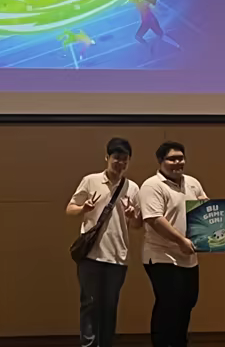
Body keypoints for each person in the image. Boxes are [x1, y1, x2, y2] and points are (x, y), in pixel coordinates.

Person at [66, 138, 141, 347]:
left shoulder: (132, 188)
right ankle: (89, 345)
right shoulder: (90, 181)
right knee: (89, 304)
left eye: (125, 159)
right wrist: (83, 208)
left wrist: (133, 216)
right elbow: (70, 209)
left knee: (110, 306)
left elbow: (137, 225)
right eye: (116, 158)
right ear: (106, 157)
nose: (120, 163)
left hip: (118, 256)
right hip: (91, 255)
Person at [140, 141, 208, 347]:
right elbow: (154, 219)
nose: (177, 162)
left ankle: (179, 342)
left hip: (189, 256)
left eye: (181, 158)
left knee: (188, 302)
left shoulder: (192, 183)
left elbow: (205, 207)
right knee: (169, 304)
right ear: (161, 161)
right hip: (162, 255)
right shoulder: (152, 185)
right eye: (172, 159)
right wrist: (181, 240)